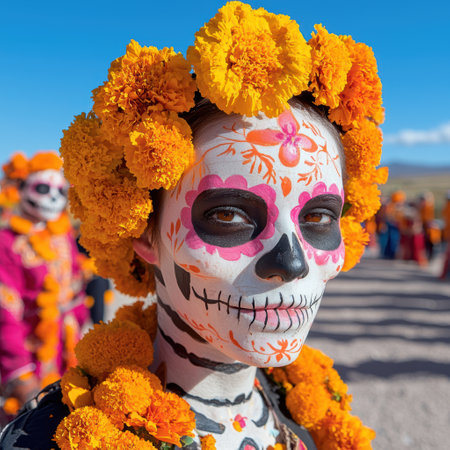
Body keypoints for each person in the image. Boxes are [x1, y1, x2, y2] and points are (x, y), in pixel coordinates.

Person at [0, 2, 385, 448]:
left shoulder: (313, 417)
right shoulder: (50, 438)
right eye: (229, 215)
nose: (292, 262)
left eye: (318, 218)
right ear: (143, 230)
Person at [0, 152, 88, 423]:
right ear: (21, 190)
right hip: (26, 352)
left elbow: (76, 293)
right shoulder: (6, 242)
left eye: (59, 190)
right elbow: (5, 310)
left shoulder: (62, 236)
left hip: (66, 347)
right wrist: (19, 372)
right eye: (42, 188)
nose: (52, 197)